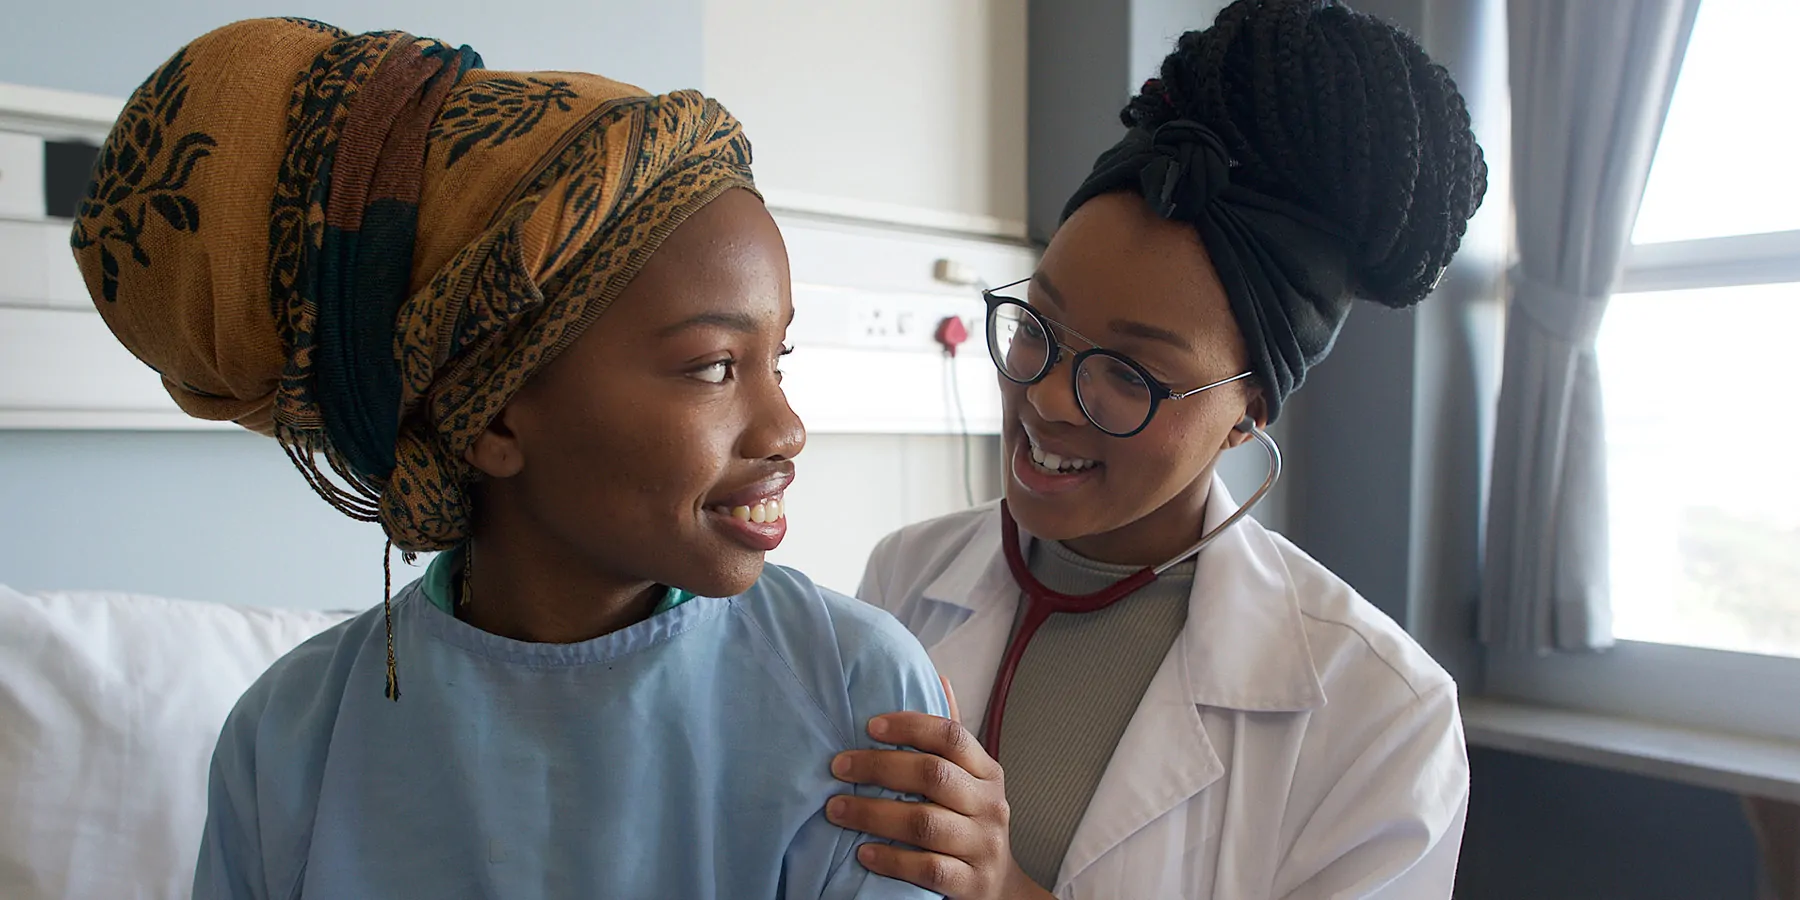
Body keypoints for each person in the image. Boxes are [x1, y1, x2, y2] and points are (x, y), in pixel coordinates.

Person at [72, 18, 948, 900]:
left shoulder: (856, 692)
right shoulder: (291, 737)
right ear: (494, 420)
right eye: (715, 366)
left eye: (777, 360)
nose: (785, 429)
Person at [823, 1, 1487, 897]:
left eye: (1129, 375)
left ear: (1248, 413)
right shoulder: (908, 577)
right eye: (1038, 327)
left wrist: (1006, 890)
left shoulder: (1378, 714)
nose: (1050, 398)